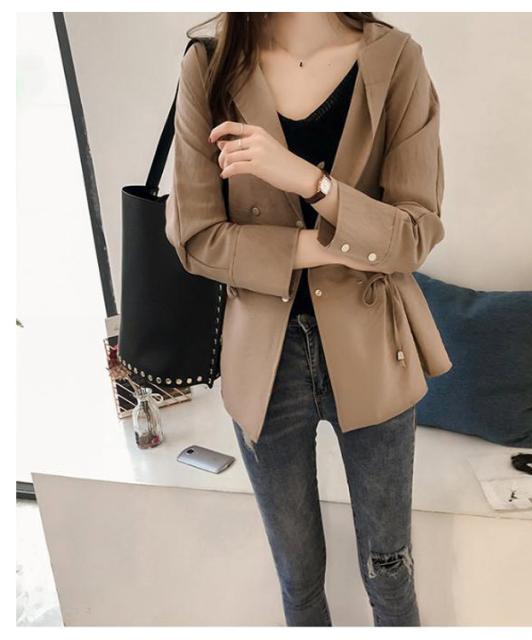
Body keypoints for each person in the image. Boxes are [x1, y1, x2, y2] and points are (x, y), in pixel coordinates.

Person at [166, 11, 450, 626]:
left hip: (374, 347)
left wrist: (308, 181)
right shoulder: (208, 65)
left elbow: (414, 235)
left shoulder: (396, 59)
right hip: (263, 362)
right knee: (297, 579)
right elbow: (196, 238)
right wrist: (338, 243)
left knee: (389, 572)